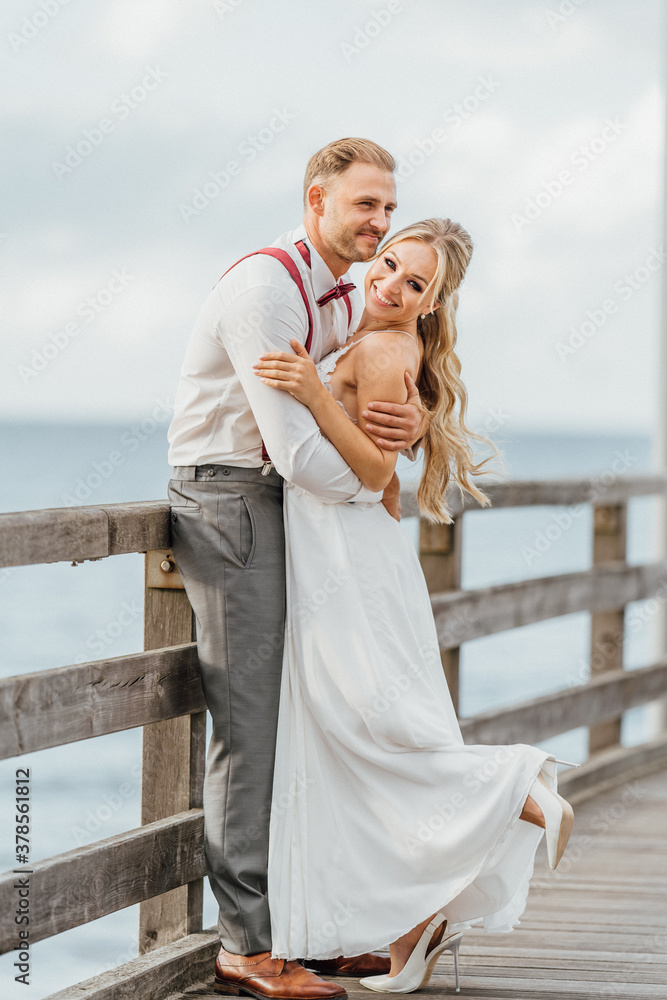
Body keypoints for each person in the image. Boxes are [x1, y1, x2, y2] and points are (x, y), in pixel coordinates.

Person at [254, 218, 577, 994]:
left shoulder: (385, 346)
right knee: (365, 728)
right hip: (348, 551)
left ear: (432, 305)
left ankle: (516, 789)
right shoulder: (372, 335)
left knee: (364, 726)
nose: (390, 285)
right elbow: (382, 467)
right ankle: (411, 930)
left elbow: (368, 471)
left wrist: (310, 392)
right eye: (391, 264)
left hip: (347, 555)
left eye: (414, 285)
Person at [166, 138, 430, 1000]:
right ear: (317, 200)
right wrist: (372, 464)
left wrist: (409, 423)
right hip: (232, 499)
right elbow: (307, 459)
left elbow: (372, 388)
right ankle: (246, 946)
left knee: (305, 710)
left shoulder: (340, 293)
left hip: (281, 501)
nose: (379, 223)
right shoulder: (266, 290)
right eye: (365, 205)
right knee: (248, 723)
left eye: (388, 208)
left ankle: (309, 925)